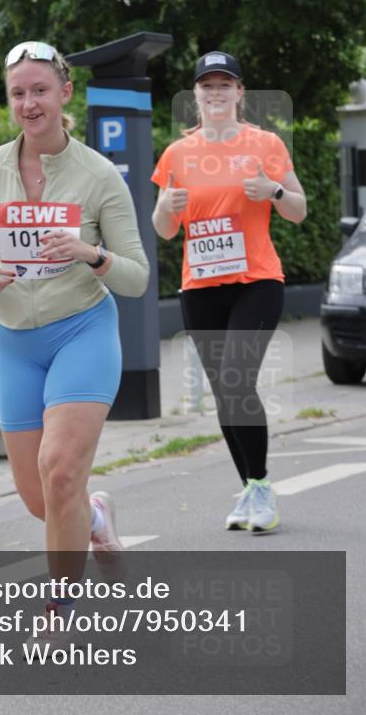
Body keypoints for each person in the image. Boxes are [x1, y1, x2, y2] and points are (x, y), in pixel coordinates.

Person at [0, 41, 149, 646]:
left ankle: (58, 608)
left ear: (65, 93)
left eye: (40, 89)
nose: (28, 103)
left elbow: (138, 276)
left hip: (81, 331)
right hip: (13, 337)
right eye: (18, 93)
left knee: (60, 470)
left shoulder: (97, 176)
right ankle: (95, 517)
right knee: (43, 500)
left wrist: (91, 254)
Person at [151, 51, 306, 534]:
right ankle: (251, 490)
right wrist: (165, 206)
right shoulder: (177, 153)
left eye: (224, 85)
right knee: (225, 393)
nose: (215, 93)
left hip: (257, 282)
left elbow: (299, 210)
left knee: (238, 380)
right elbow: (164, 230)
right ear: (195, 95)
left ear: (240, 93)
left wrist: (274, 193)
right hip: (200, 287)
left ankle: (259, 486)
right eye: (206, 86)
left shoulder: (265, 144)